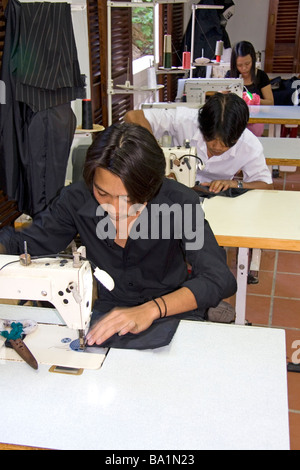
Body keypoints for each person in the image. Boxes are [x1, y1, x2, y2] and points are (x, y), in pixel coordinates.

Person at [0, 123, 237, 347]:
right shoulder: (76, 200)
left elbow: (218, 278)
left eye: (130, 199)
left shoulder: (180, 203)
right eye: (102, 194)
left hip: (172, 312)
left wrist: (150, 310)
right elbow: (24, 243)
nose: (114, 208)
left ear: (151, 187)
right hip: (109, 316)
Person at [125, 93, 274, 193]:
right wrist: (155, 151)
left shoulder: (249, 145)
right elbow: (133, 116)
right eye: (210, 139)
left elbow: (267, 186)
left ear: (238, 135)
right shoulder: (185, 120)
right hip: (174, 189)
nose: (216, 147)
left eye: (225, 143)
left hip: (215, 198)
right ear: (202, 127)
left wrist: (236, 184)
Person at [226, 41, 274, 106]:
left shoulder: (261, 76)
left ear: (253, 60)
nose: (244, 68)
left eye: (247, 64)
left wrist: (257, 100)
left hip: (257, 114)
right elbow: (220, 98)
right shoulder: (230, 75)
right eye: (239, 65)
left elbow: (271, 103)